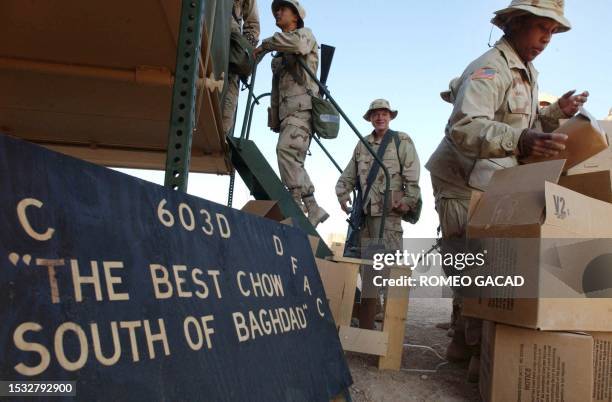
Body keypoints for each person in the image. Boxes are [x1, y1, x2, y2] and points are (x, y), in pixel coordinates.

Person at [425, 0, 589, 382]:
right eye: (540, 29)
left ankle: (468, 347)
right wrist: (522, 139)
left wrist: (554, 114)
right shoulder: (490, 68)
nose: (546, 39)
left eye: (552, 33)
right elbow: (465, 127)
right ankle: (471, 348)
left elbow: (521, 123)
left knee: (482, 260)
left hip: (489, 176)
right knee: (471, 260)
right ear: (516, 24)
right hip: (460, 177)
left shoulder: (526, 71)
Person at [336, 99, 421, 329]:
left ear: (390, 116)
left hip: (389, 213)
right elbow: (350, 173)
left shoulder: (401, 140)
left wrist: (408, 200)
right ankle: (375, 309)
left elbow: (412, 174)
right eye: (375, 114)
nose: (380, 117)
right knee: (368, 265)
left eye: (384, 113)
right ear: (370, 118)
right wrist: (341, 192)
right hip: (365, 213)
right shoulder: (362, 144)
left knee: (389, 262)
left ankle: (390, 314)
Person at [253, 0, 328, 227]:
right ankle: (313, 207)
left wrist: (266, 44)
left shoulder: (304, 34)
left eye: (282, 9)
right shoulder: (280, 54)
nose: (277, 12)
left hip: (302, 110)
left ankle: (295, 205)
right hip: (288, 114)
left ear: (295, 16)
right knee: (293, 159)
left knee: (285, 151)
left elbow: (299, 46)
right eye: (276, 10)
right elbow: (277, 90)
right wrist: (275, 119)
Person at [221, 0, 260, 135]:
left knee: (228, 101)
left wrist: (244, 51)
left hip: (231, 41)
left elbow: (253, 25)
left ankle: (222, 134)